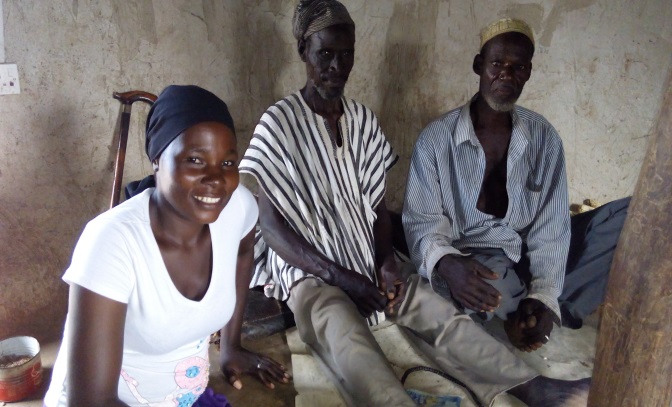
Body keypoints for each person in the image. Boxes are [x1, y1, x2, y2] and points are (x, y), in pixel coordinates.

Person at [241, 3, 589, 406]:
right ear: (303, 51)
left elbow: (376, 208)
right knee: (342, 331)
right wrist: (341, 278)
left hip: (365, 259)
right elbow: (268, 223)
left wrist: (387, 265)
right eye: (325, 54)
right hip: (311, 270)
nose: (337, 66)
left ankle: (533, 387)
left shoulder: (363, 121)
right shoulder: (278, 123)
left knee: (435, 311)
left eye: (346, 54)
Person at [44, 85, 289, 407]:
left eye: (228, 163)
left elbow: (244, 252)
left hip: (182, 396)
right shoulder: (112, 242)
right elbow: (89, 401)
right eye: (195, 160)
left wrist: (231, 346)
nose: (216, 179)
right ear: (157, 160)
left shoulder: (237, 207)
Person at [402, 17, 628, 355]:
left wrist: (543, 292)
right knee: (488, 286)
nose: (506, 75)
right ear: (479, 65)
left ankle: (539, 306)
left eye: (518, 67)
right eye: (497, 64)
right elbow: (421, 223)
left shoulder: (544, 138)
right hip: (474, 259)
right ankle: (530, 312)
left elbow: (552, 230)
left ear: (528, 73)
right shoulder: (436, 139)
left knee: (629, 218)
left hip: (525, 253)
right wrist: (448, 265)